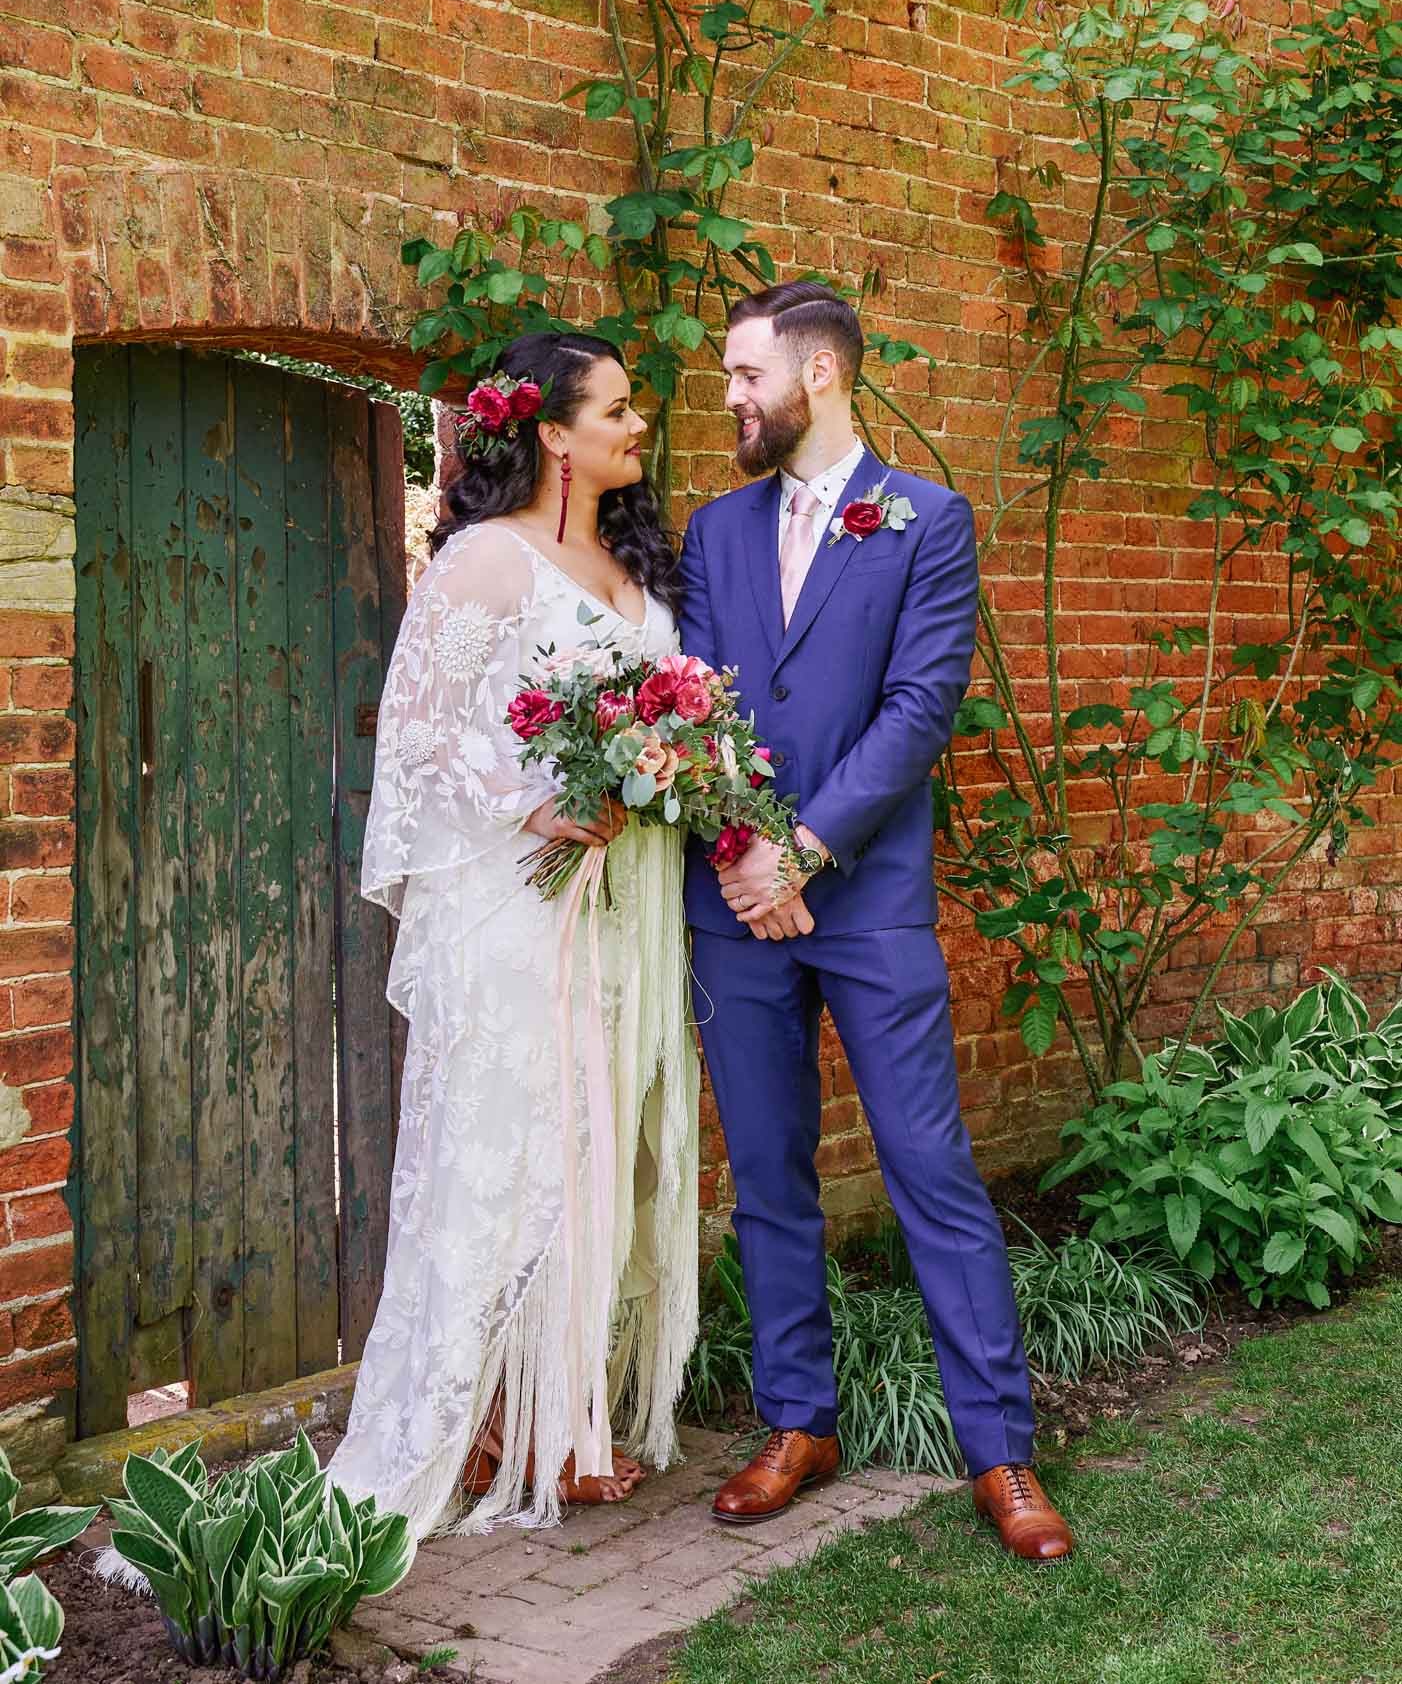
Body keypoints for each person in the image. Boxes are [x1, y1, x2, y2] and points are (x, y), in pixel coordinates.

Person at [678, 281, 1075, 1563]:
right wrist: (746, 858)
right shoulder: (713, 531)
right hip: (737, 903)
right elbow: (692, 707)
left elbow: (917, 711)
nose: (731, 397)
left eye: (746, 375)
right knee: (770, 1174)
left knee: (929, 1167)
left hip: (870, 902)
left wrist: (803, 849)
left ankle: (999, 1450)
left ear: (821, 375)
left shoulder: (926, 522)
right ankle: (799, 1423)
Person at [327, 332, 699, 1540]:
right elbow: (419, 734)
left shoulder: (633, 568)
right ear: (553, 432)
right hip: (518, 902)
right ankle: (479, 1420)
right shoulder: (488, 562)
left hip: (621, 911)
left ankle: (559, 1417)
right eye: (618, 411)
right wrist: (534, 800)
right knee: (512, 1156)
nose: (636, 429)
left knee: (598, 1154)